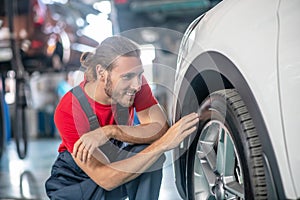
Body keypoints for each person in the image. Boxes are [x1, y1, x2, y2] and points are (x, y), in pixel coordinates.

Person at [45, 36, 199, 200]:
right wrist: (163, 145)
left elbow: (159, 128)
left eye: (139, 75)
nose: (137, 85)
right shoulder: (69, 109)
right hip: (77, 185)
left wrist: (110, 131)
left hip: (113, 167)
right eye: (127, 77)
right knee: (152, 153)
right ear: (102, 73)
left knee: (147, 156)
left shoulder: (133, 85)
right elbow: (105, 178)